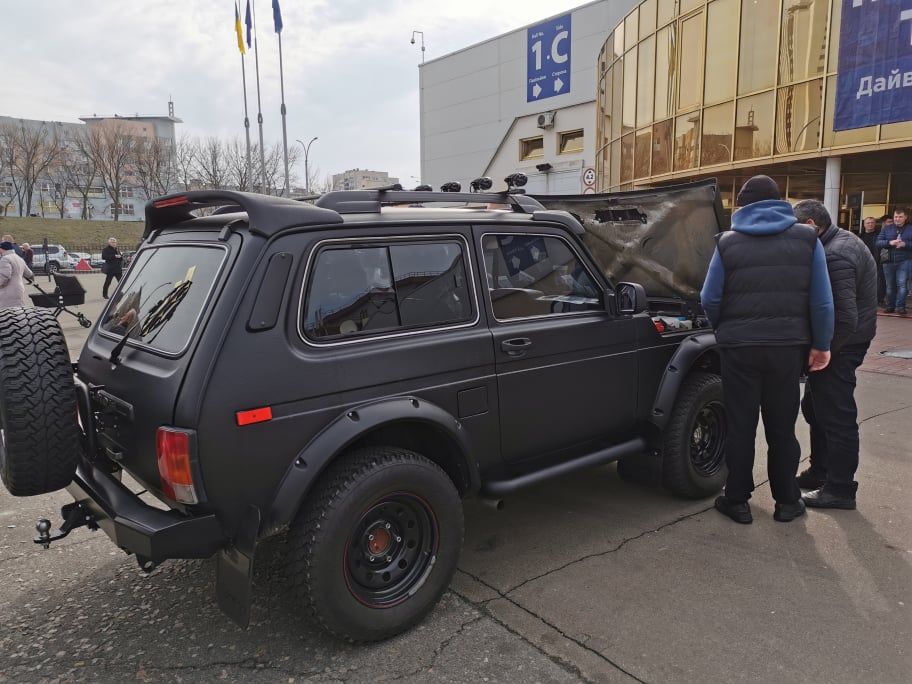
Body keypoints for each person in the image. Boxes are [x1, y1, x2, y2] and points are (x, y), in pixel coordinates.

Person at [700, 175, 834, 525]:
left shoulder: (727, 243)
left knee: (741, 425)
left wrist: (724, 328)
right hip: (787, 349)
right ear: (779, 202)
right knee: (781, 427)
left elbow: (709, 298)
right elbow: (822, 302)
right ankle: (788, 501)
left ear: (743, 206)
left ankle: (737, 501)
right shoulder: (808, 239)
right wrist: (821, 345)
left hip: (739, 348)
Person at [793, 200, 877, 509]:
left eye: (796, 230)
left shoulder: (835, 254)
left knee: (836, 413)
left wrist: (822, 352)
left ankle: (840, 488)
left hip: (843, 344)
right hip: (846, 339)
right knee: (815, 407)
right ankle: (821, 471)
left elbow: (843, 317)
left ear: (812, 225)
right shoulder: (836, 241)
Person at [875, 208, 912, 314]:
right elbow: (878, 242)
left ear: (905, 217)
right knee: (890, 285)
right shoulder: (887, 229)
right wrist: (890, 242)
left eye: (900, 217)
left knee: (902, 284)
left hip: (905, 260)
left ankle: (900, 307)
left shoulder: (910, 229)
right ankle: (890, 306)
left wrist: (905, 244)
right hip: (889, 261)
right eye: (896, 217)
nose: (897, 219)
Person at [0, 240, 34, 308]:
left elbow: (5, 277)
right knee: (18, 313)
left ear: (2, 249)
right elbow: (29, 274)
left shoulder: (5, 259)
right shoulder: (19, 258)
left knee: (6, 314)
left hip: (7, 292)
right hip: (19, 289)